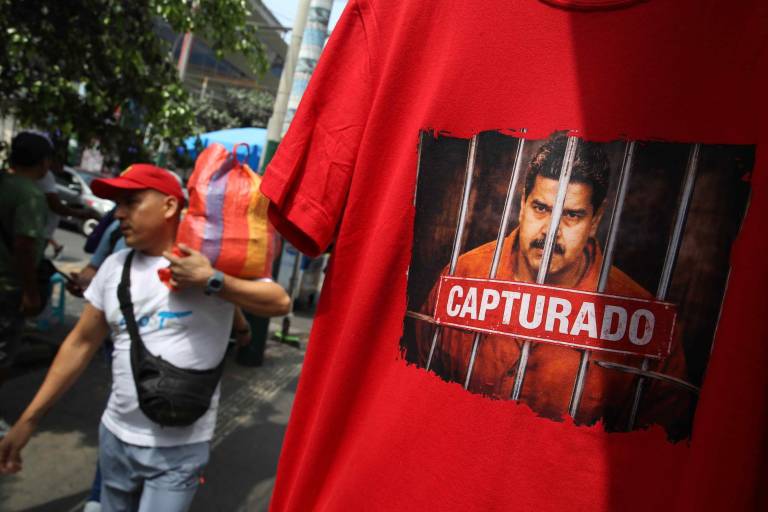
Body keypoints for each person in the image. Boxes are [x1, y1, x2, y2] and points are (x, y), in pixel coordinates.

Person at [0, 163, 291, 511]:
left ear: (169, 206)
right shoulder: (115, 266)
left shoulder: (208, 264)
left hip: (180, 451)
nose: (118, 213)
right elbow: (79, 344)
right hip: (115, 439)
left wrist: (213, 280)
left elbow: (280, 302)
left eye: (131, 202)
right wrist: (29, 420)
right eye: (117, 204)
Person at [417, 133, 688, 431]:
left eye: (571, 215)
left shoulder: (644, 322)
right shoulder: (463, 276)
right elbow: (416, 387)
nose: (551, 230)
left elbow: (652, 445)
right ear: (522, 203)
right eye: (541, 208)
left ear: (595, 220)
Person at [0, 132, 52, 434]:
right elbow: (23, 245)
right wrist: (30, 292)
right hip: (8, 286)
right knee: (5, 350)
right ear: (43, 162)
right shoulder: (30, 195)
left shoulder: (4, 184)